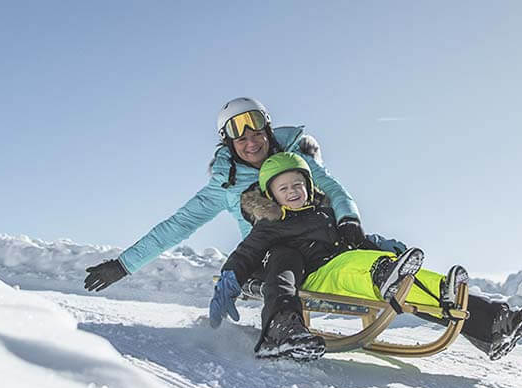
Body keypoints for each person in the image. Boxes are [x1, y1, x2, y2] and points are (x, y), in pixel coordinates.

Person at [209, 152, 522, 361]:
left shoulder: (326, 216)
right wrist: (228, 278)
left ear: (308, 187)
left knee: (425, 283)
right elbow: (246, 254)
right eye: (285, 189)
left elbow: (359, 239)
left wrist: (386, 245)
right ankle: (281, 329)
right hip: (320, 274)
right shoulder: (271, 227)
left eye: (299, 184)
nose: (294, 192)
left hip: (354, 265)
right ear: (273, 196)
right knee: (359, 266)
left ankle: (496, 324)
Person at [83, 97, 376, 292]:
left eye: (257, 134)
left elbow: (334, 188)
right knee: (284, 257)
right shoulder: (225, 186)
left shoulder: (297, 160)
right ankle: (283, 326)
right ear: (229, 143)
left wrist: (349, 218)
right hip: (275, 259)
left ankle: (409, 288)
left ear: (268, 132)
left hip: (321, 246)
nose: (251, 144)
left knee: (378, 246)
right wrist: (123, 265)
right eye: (241, 138)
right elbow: (177, 226)